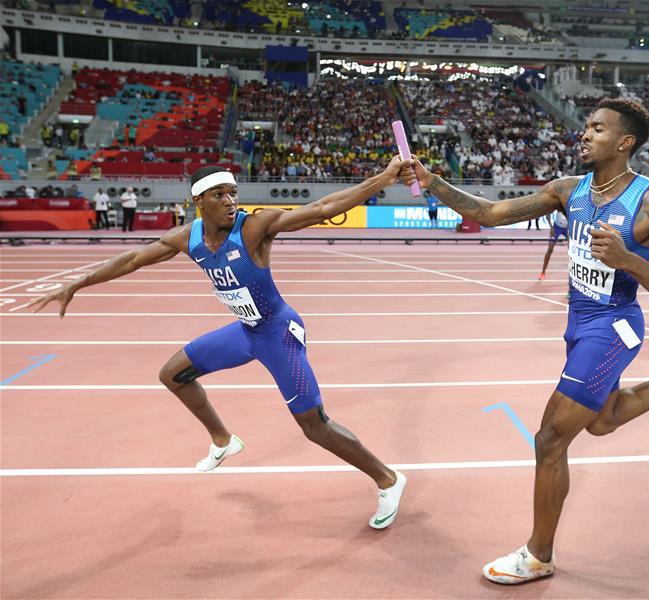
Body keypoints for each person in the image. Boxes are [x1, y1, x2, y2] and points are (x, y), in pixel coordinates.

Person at [400, 98, 649, 584]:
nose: (584, 135)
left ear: (624, 142)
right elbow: (488, 213)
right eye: (586, 127)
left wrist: (632, 260)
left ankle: (537, 556)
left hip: (614, 327)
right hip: (578, 324)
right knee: (603, 421)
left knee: (550, 440)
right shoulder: (568, 190)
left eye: (597, 128)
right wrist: (431, 181)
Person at [26, 161, 410, 527]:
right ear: (199, 201)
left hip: (277, 332)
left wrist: (384, 179)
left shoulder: (255, 227)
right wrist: (78, 284)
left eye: (233, 193)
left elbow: (324, 207)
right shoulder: (188, 237)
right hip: (245, 332)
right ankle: (223, 440)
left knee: (313, 425)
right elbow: (132, 259)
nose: (230, 201)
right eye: (220, 195)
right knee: (173, 375)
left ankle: (388, 480)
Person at [538, 209, 568, 281]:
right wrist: (551, 227)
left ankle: (575, 275)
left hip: (567, 228)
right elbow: (548, 213)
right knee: (550, 249)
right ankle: (543, 272)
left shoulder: (570, 202)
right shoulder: (559, 204)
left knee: (573, 251)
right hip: (556, 228)